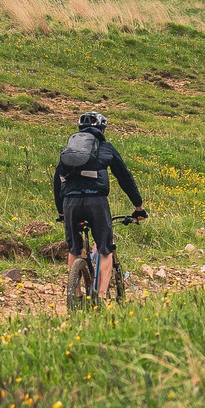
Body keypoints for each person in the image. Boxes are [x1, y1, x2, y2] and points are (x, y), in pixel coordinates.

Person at [54, 111, 143, 300]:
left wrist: (61, 212)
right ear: (102, 129)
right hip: (96, 202)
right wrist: (138, 206)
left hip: (70, 203)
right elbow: (124, 177)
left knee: (74, 250)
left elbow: (57, 182)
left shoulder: (69, 151)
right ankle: (102, 297)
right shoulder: (106, 148)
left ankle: (75, 296)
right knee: (105, 249)